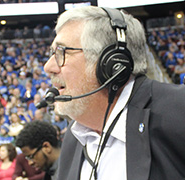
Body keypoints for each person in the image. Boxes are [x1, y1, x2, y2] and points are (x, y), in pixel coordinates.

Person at [43, 6, 185, 180]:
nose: (48, 67)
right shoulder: (74, 137)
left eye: (62, 52)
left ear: (112, 64)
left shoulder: (179, 109)